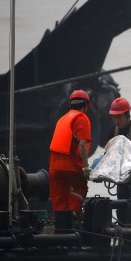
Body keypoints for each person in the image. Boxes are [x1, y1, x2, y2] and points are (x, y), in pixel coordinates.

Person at [49, 89, 92, 229]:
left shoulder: (62, 119)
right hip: (70, 165)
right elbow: (83, 144)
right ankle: (74, 217)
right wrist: (85, 167)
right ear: (86, 105)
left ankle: (61, 233)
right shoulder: (81, 118)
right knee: (80, 186)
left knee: (60, 201)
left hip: (54, 168)